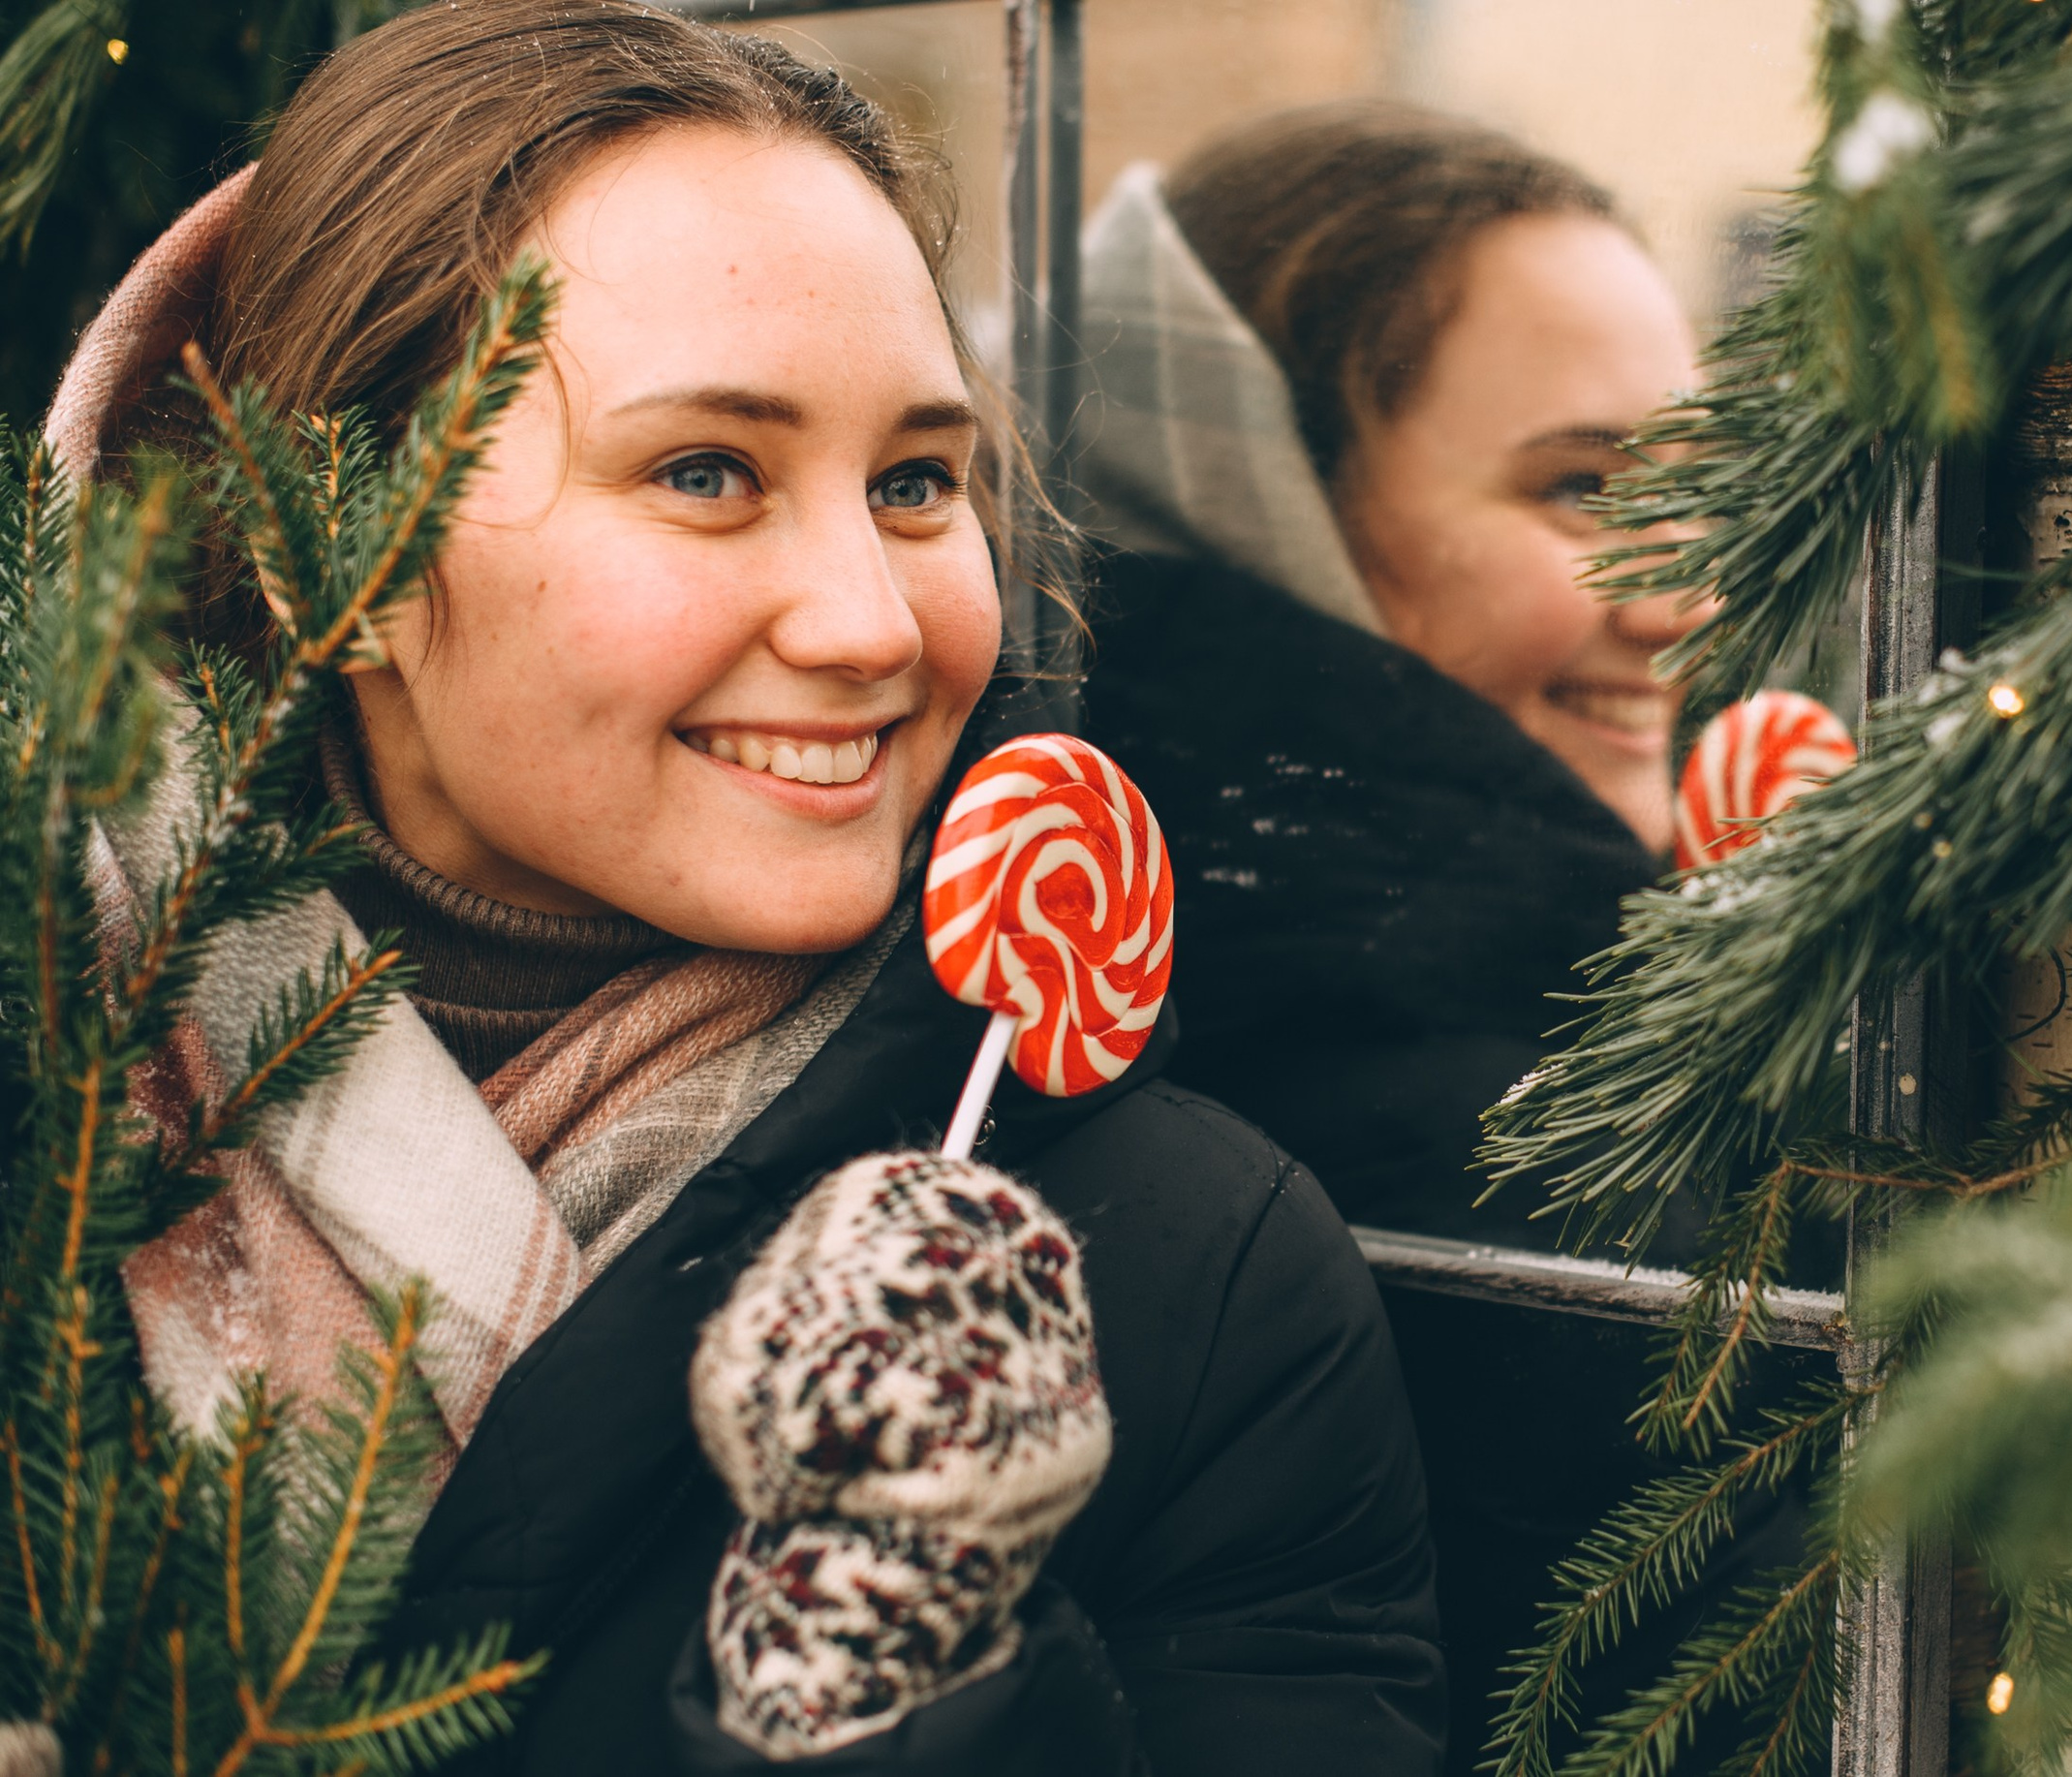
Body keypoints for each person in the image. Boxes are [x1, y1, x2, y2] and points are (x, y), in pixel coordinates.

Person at [46, 10, 1444, 1773]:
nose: (870, 620)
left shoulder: (1193, 1279)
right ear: (323, 534)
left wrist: (935, 1682)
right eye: (707, 472)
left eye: (918, 482)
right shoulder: (53, 1099)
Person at [1074, 105, 1827, 1771]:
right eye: (1581, 487)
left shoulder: (1149, 979)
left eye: (1701, 498)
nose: (1682, 593)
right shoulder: (1516, 1153)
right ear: (1268, 511)